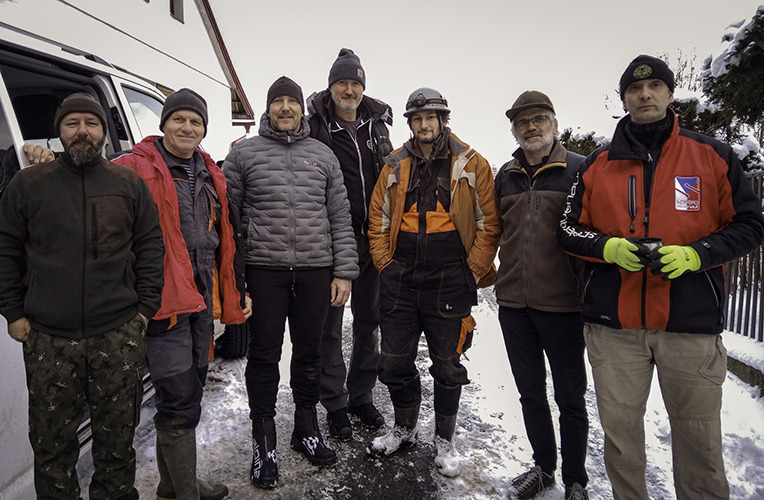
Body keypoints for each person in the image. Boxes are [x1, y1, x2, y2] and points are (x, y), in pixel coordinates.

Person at [558, 55, 764, 500]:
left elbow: (750, 224)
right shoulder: (596, 164)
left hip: (689, 325)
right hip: (614, 328)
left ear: (670, 95)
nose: (644, 94)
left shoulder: (713, 156)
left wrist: (697, 255)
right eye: (635, 89)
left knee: (700, 445)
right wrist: (608, 248)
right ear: (624, 99)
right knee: (621, 441)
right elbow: (568, 230)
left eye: (654, 86)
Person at [0, 92, 164, 499]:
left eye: (91, 124)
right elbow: (4, 249)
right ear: (59, 132)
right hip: (48, 337)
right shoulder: (29, 184)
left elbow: (150, 247)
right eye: (72, 124)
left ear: (103, 132)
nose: (82, 132)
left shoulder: (127, 184)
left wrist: (144, 309)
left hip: (117, 333)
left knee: (116, 441)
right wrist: (12, 312)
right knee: (52, 444)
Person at [112, 88, 251, 500]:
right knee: (177, 398)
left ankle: (175, 485)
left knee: (191, 390)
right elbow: (88, 187)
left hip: (201, 299)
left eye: (195, 121)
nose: (187, 127)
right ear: (164, 123)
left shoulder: (210, 173)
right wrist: (45, 159)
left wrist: (234, 289)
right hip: (161, 302)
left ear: (204, 130)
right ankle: (185, 491)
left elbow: (224, 236)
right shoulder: (131, 168)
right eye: (179, 119)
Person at [222, 76, 358, 489]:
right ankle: (264, 441)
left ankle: (306, 427)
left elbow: (340, 215)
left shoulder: (322, 155)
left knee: (310, 352)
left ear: (302, 109)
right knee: (264, 355)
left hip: (316, 270)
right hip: (265, 270)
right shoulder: (244, 153)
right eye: (278, 101)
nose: (285, 108)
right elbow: (228, 217)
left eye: (291, 102)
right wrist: (236, 280)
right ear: (268, 108)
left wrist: (344, 271)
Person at [366, 87, 500, 477]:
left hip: (450, 278)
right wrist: (384, 264)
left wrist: (472, 271)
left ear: (444, 120)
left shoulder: (472, 163)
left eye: (432, 117)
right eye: (417, 118)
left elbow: (488, 224)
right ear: (410, 123)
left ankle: (444, 442)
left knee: (447, 364)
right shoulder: (393, 165)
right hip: (400, 277)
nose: (425, 125)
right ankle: (404, 429)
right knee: (391, 364)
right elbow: (378, 220)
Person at [494, 90, 590, 500]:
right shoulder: (506, 175)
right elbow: (494, 231)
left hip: (563, 305)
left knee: (570, 397)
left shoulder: (580, 171)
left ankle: (576, 480)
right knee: (530, 392)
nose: (530, 127)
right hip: (515, 305)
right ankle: (543, 467)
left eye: (538, 119)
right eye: (522, 122)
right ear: (514, 130)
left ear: (553, 121)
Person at [306, 48, 393, 439]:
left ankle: (362, 396)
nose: (349, 89)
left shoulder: (378, 127)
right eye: (343, 82)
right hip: (331, 240)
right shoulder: (316, 126)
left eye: (356, 83)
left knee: (369, 321)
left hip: (373, 238)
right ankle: (335, 402)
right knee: (330, 325)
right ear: (331, 85)